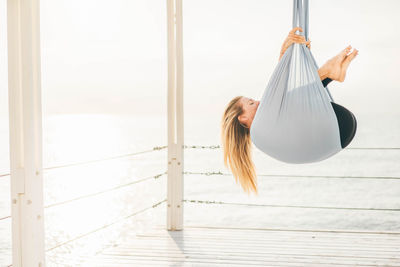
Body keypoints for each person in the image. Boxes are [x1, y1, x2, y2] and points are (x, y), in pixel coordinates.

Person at [220, 27, 358, 195]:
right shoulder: (259, 130)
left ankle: (329, 74)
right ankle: (328, 72)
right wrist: (285, 52)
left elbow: (281, 92)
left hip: (335, 137)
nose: (257, 102)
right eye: (250, 103)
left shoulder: (267, 130)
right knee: (292, 98)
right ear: (242, 119)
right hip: (336, 128)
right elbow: (279, 89)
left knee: (294, 101)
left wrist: (292, 56)